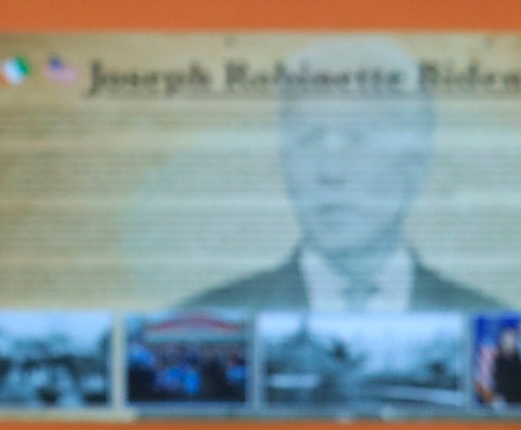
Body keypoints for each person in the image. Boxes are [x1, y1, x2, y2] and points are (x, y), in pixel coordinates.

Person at [187, 38, 499, 311]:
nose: (331, 171)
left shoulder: (483, 315)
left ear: (415, 166)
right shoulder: (210, 315)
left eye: (358, 139)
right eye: (307, 139)